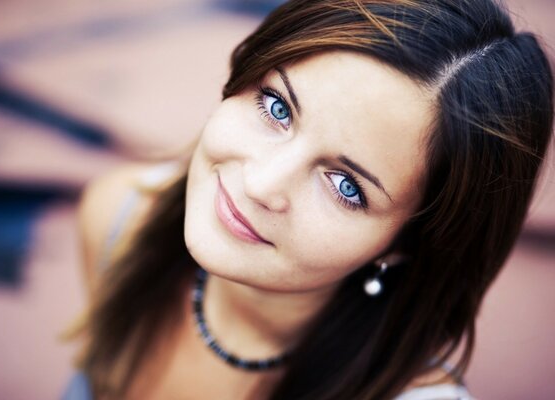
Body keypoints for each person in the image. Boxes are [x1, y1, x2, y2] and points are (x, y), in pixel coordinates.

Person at [63, 0, 554, 399]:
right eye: (277, 107)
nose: (262, 184)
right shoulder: (118, 219)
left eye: (346, 186)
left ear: (406, 242)